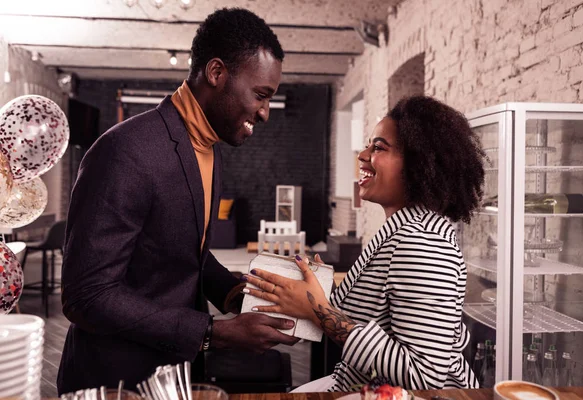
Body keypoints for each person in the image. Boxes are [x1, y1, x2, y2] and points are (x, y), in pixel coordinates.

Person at [57, 8, 299, 394]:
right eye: (261, 95)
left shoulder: (212, 148)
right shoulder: (125, 150)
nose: (265, 112)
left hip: (178, 375)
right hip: (114, 379)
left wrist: (239, 296)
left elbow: (190, 252)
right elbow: (87, 294)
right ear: (217, 73)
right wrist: (212, 333)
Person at [244, 96, 486, 391]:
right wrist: (320, 291)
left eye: (379, 147)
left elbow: (424, 377)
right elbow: (374, 315)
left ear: (419, 165)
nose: (362, 155)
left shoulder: (423, 245)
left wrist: (318, 309)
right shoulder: (401, 231)